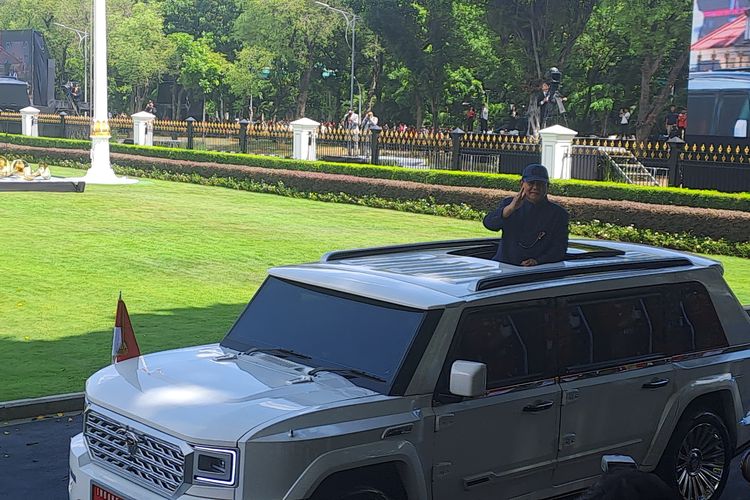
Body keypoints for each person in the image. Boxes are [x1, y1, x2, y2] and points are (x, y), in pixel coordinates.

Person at [483, 163, 569, 266]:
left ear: (547, 187)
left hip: (537, 271)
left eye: (540, 184)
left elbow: (559, 248)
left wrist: (538, 261)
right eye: (531, 183)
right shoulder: (508, 204)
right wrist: (510, 209)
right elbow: (489, 224)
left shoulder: (558, 214)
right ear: (522, 184)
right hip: (505, 267)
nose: (535, 187)